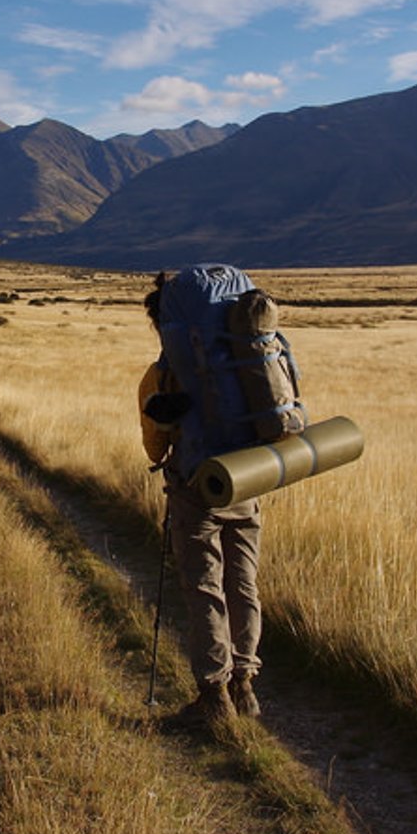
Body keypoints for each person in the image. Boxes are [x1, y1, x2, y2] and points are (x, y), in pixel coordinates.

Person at [140, 283, 263, 730]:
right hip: (247, 480)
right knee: (243, 582)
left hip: (195, 488)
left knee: (206, 587)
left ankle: (214, 696)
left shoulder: (160, 377)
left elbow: (155, 451)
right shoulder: (240, 364)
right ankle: (245, 686)